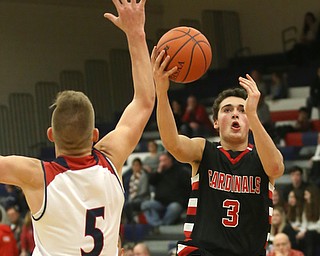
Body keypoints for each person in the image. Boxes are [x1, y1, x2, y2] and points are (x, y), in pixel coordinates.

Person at [0, 0, 155, 255]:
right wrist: (136, 33)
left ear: (51, 135)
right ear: (95, 136)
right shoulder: (111, 159)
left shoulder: (37, 176)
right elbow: (144, 101)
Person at [153, 50, 284, 255]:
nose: (235, 114)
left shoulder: (262, 158)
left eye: (242, 110)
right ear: (215, 122)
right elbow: (173, 144)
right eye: (227, 109)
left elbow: (276, 167)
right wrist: (161, 93)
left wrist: (254, 116)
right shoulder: (204, 150)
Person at [141, 152, 191, 232]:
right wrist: (158, 171)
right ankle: (157, 224)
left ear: (169, 160)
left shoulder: (180, 171)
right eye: (160, 161)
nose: (162, 163)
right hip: (160, 202)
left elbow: (187, 187)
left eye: (164, 160)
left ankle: (163, 225)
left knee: (174, 207)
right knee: (145, 205)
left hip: (175, 202)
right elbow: (151, 181)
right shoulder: (160, 172)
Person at [123, 157, 150, 224]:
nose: (135, 167)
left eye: (137, 165)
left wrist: (134, 197)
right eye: (134, 165)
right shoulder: (131, 177)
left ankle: (131, 223)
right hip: (132, 198)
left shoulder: (144, 176)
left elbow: (144, 191)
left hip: (142, 198)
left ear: (140, 166)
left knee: (128, 205)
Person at [296, 185, 320, 256]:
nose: (305, 197)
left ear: (313, 195)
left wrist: (306, 230)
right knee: (295, 234)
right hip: (309, 233)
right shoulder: (306, 207)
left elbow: (319, 226)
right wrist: (301, 232)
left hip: (317, 233)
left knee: (310, 235)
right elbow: (304, 224)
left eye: (306, 195)